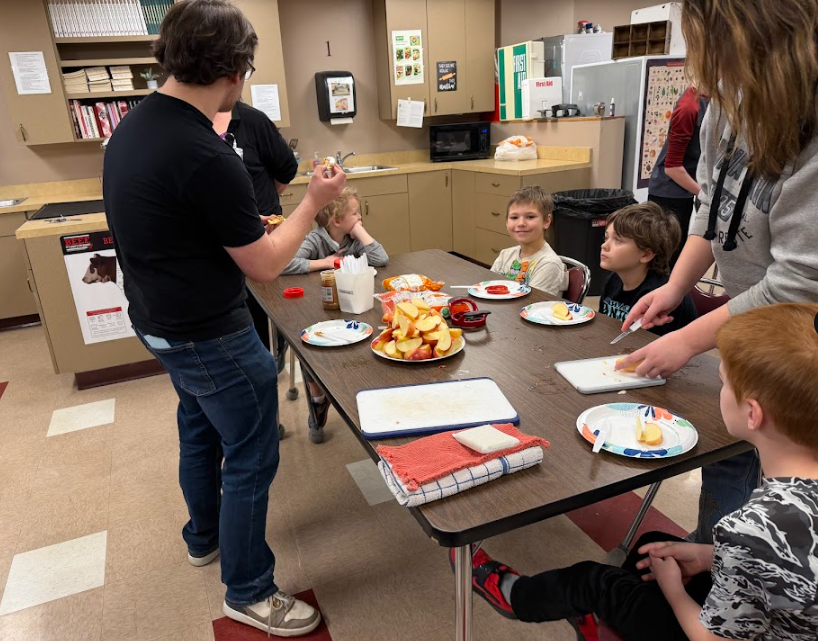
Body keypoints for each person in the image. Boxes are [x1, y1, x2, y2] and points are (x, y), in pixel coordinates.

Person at [102, 0, 345, 635]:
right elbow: (264, 264)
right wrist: (316, 201)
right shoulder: (206, 154)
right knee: (251, 454)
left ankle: (202, 536)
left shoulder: (131, 127)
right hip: (208, 331)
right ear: (236, 70)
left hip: (156, 322)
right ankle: (248, 589)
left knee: (200, 428)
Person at [453, 302, 818, 641]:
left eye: (723, 383)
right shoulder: (783, 510)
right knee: (651, 547)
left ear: (752, 414)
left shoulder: (751, 529)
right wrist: (711, 555)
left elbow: (712, 637)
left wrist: (675, 591)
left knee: (593, 580)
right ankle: (611, 621)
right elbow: (782, 565)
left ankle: (517, 596)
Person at [618, 0, 818, 544]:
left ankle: (740, 575)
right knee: (728, 448)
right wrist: (674, 289)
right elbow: (711, 207)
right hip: (750, 331)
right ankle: (715, 555)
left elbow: (797, 284)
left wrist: (687, 340)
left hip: (799, 345)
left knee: (779, 472)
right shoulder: (727, 107)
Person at [282, 186, 389, 444]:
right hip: (317, 310)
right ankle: (317, 396)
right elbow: (285, 264)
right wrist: (325, 262)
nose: (360, 217)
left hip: (351, 308)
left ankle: (357, 391)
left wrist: (360, 231)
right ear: (337, 220)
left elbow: (381, 258)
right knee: (314, 349)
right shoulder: (315, 239)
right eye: (355, 214)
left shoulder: (353, 241)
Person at [213, 101, 298, 372]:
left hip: (263, 232)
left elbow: (285, 170)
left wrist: (260, 203)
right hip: (220, 243)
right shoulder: (190, 124)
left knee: (265, 311)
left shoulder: (253, 121)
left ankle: (273, 353)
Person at [600, 202, 697, 335]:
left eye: (618, 240)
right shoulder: (613, 280)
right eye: (606, 237)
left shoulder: (662, 298)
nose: (604, 246)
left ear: (646, 254)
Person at [647, 86, 709, 266]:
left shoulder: (711, 101)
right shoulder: (688, 108)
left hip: (686, 187)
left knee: (676, 253)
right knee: (664, 260)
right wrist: (705, 195)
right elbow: (672, 168)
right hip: (669, 191)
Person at [490, 186, 568, 295]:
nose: (521, 223)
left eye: (530, 217)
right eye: (514, 217)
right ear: (507, 222)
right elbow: (489, 289)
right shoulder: (505, 255)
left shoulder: (549, 264)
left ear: (546, 221)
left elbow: (530, 304)